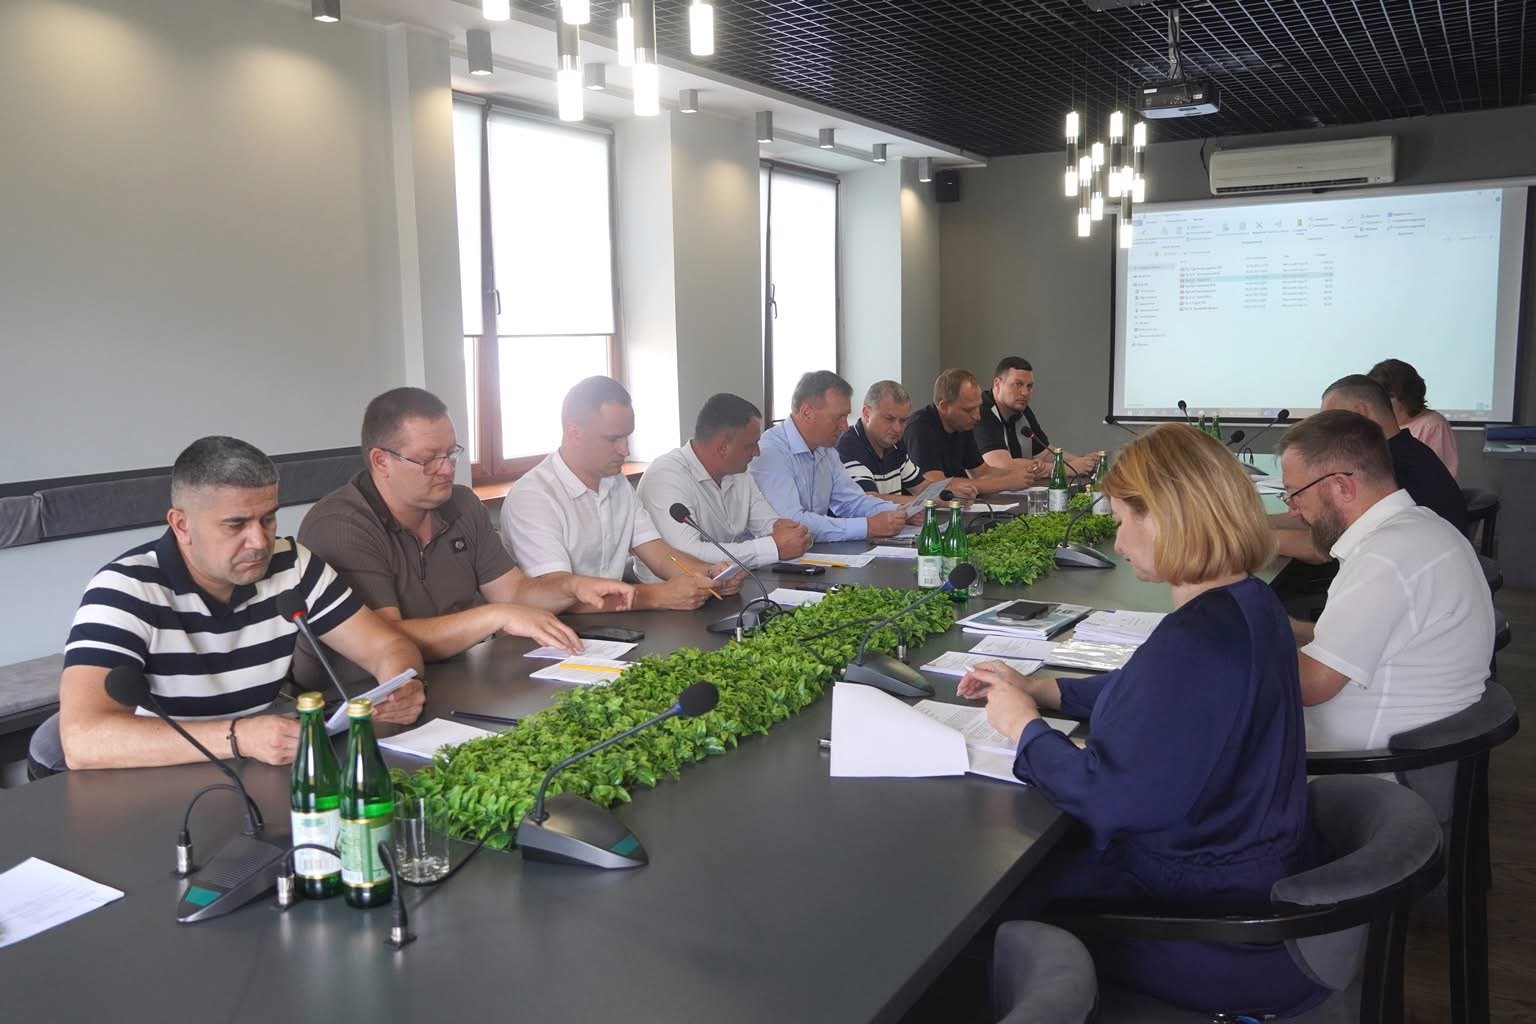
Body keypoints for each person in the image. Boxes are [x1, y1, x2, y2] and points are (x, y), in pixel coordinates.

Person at [958, 423, 1326, 1017]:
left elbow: (1107, 798)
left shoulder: (1196, 642)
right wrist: (1042, 690)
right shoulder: (1249, 603)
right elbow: (1149, 692)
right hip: (1251, 874)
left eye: (1124, 518)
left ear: (1167, 517)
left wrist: (1023, 727)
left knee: (984, 904)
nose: (1118, 538)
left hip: (1207, 920)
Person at [54, 436, 425, 770]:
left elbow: (387, 646)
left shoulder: (292, 564)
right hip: (156, 779)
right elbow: (82, 739)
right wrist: (239, 737)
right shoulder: (125, 589)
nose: (260, 541)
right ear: (181, 525)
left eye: (268, 519)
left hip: (254, 770)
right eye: (236, 525)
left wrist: (401, 685)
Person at [299, 388, 634, 670]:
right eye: (428, 459)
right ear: (381, 461)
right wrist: (495, 617)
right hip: (360, 696)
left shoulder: (461, 504)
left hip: (457, 672)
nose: (447, 470)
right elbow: (385, 639)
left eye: (451, 454)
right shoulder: (341, 526)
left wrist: (573, 586)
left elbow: (514, 593)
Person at [1275, 410, 1492, 753]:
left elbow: (1312, 686)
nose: (1293, 510)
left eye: (1294, 494)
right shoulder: (1420, 526)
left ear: (1342, 486)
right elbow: (1365, 639)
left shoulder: (1384, 558)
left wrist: (1249, 643)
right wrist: (1290, 629)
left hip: (1367, 765)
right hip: (1410, 741)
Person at [501, 376, 744, 611]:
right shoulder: (534, 497)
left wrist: (707, 574)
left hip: (614, 624)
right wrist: (658, 596)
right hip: (552, 631)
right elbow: (557, 594)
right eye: (613, 439)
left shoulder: (616, 483)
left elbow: (658, 553)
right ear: (574, 433)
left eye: (627, 436)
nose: (625, 450)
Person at [1273, 374, 1467, 569]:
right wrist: (1261, 524)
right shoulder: (1403, 451)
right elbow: (1324, 518)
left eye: (1334, 420)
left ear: (1360, 413)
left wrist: (1261, 538)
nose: (1325, 432)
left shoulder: (1392, 468)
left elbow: (1326, 546)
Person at [635, 392, 810, 577]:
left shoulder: (738, 472)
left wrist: (789, 533)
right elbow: (689, 553)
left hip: (729, 583)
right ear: (723, 447)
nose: (757, 452)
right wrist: (773, 547)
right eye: (750, 445)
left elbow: (768, 523)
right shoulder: (665, 476)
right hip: (671, 591)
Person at [749, 370, 910, 542]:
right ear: (807, 413)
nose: (844, 427)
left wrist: (900, 513)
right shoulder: (771, 451)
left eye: (846, 417)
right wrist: (868, 527)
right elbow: (792, 522)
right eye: (838, 417)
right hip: (768, 556)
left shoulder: (826, 450)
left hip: (812, 551)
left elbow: (851, 501)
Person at [837, 380, 977, 503]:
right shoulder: (848, 447)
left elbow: (921, 487)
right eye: (889, 419)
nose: (897, 428)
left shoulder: (894, 445)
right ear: (867, 414)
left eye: (903, 421)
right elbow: (869, 500)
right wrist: (931, 500)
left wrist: (952, 493)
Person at [903, 369, 1040, 494]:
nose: (977, 416)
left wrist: (1019, 473)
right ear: (944, 406)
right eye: (968, 410)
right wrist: (1006, 482)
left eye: (978, 407)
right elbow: (935, 486)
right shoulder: (920, 428)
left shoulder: (962, 425)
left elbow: (981, 472)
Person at [975, 356, 1096, 478]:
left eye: (1029, 386)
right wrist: (1065, 469)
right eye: (1018, 384)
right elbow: (1000, 465)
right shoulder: (980, 411)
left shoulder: (1022, 410)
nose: (1025, 392)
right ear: (997, 384)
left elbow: (1045, 454)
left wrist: (1083, 462)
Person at [1369, 357, 1458, 478]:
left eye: (1389, 396)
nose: (1381, 403)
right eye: (1378, 396)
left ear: (1407, 396)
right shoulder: (1374, 425)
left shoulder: (1433, 425)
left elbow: (1437, 477)